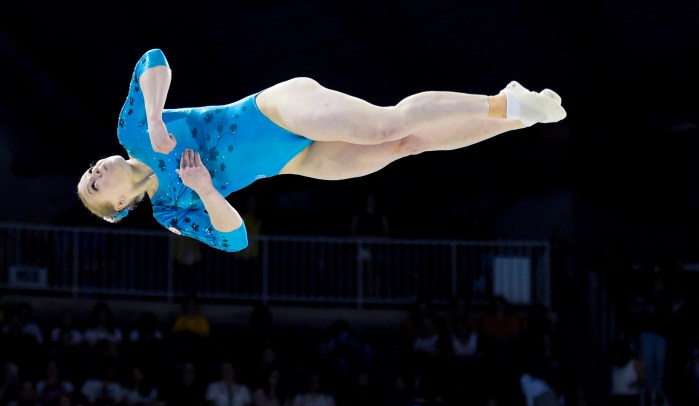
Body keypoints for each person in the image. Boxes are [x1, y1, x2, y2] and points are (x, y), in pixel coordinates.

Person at [77, 48, 566, 252]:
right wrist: (204, 190)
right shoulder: (169, 210)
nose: (96, 169)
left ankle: (503, 101)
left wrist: (159, 117)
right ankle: (515, 119)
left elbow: (153, 60)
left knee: (384, 125)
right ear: (118, 206)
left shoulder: (133, 130)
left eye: (91, 169)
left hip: (273, 110)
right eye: (95, 183)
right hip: (297, 160)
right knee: (406, 145)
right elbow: (234, 239)